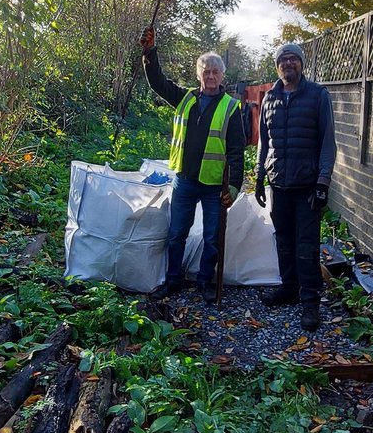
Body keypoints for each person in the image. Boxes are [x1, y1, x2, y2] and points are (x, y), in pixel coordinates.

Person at [139, 26, 245, 303]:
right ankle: (173, 280)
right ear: (198, 75)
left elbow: (236, 150)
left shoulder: (231, 108)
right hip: (184, 181)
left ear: (222, 76)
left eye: (215, 72)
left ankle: (205, 283)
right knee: (176, 234)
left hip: (213, 186)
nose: (210, 76)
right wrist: (150, 53)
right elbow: (158, 83)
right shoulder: (185, 98)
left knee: (212, 238)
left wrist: (234, 185)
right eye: (205, 71)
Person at [254, 42, 336, 331]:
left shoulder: (317, 95)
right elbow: (265, 141)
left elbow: (328, 142)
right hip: (279, 183)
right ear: (277, 66)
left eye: (293, 59)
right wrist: (259, 177)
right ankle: (289, 288)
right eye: (283, 60)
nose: (288, 64)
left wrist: (323, 181)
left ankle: (311, 302)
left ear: (301, 64)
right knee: (284, 241)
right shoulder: (269, 98)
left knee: (307, 246)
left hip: (307, 186)